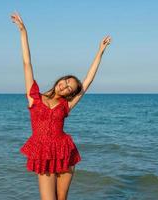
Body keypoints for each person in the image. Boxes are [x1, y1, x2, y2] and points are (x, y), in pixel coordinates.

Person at [11, 11, 111, 200]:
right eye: (65, 81)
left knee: (62, 198)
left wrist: (99, 52)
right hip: (43, 153)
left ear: (69, 94)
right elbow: (26, 63)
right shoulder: (34, 97)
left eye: (68, 88)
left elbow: (87, 82)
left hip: (65, 151)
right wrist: (23, 32)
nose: (64, 85)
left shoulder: (65, 105)